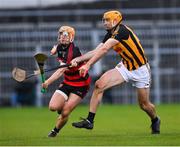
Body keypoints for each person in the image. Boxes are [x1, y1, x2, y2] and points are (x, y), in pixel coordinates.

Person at [70, 10, 160, 134]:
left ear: (115, 21)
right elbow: (97, 50)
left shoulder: (121, 31)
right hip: (125, 67)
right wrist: (79, 59)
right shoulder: (110, 34)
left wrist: (88, 65)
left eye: (107, 20)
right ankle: (90, 121)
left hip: (141, 70)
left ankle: (155, 120)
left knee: (144, 105)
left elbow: (105, 49)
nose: (105, 23)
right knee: (99, 85)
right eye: (104, 20)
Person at [42, 26, 91, 137]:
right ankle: (63, 105)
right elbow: (58, 49)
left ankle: (55, 131)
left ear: (71, 38)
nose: (62, 38)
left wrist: (47, 82)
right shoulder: (60, 47)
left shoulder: (72, 51)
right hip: (68, 82)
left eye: (66, 36)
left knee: (65, 112)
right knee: (53, 107)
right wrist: (54, 50)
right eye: (61, 35)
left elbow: (60, 71)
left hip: (80, 84)